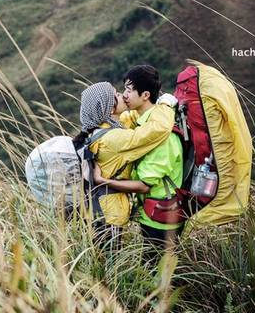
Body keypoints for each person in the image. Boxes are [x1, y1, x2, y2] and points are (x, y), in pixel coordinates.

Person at [72, 81, 177, 252]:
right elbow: (157, 130)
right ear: (109, 108)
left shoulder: (98, 131)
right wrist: (165, 105)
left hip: (98, 210)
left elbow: (127, 119)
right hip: (108, 216)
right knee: (111, 270)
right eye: (118, 95)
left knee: (101, 262)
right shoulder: (113, 139)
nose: (123, 95)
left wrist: (145, 106)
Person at [94, 65, 184, 261]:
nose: (124, 95)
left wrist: (103, 181)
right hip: (151, 212)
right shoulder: (143, 121)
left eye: (128, 90)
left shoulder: (163, 137)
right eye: (123, 90)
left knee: (158, 275)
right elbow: (125, 119)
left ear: (144, 95)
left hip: (162, 219)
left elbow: (144, 185)